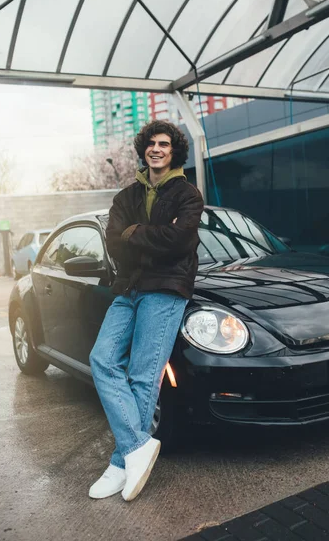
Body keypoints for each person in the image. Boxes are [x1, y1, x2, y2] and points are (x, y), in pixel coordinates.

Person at [89, 120, 204, 502]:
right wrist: (153, 235)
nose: (157, 149)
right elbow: (115, 243)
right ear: (144, 149)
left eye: (165, 144)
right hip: (128, 288)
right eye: (151, 143)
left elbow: (180, 241)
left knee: (142, 375)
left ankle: (120, 463)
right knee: (101, 358)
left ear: (175, 152)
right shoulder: (125, 197)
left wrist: (135, 234)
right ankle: (137, 446)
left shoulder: (188, 195)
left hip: (167, 288)